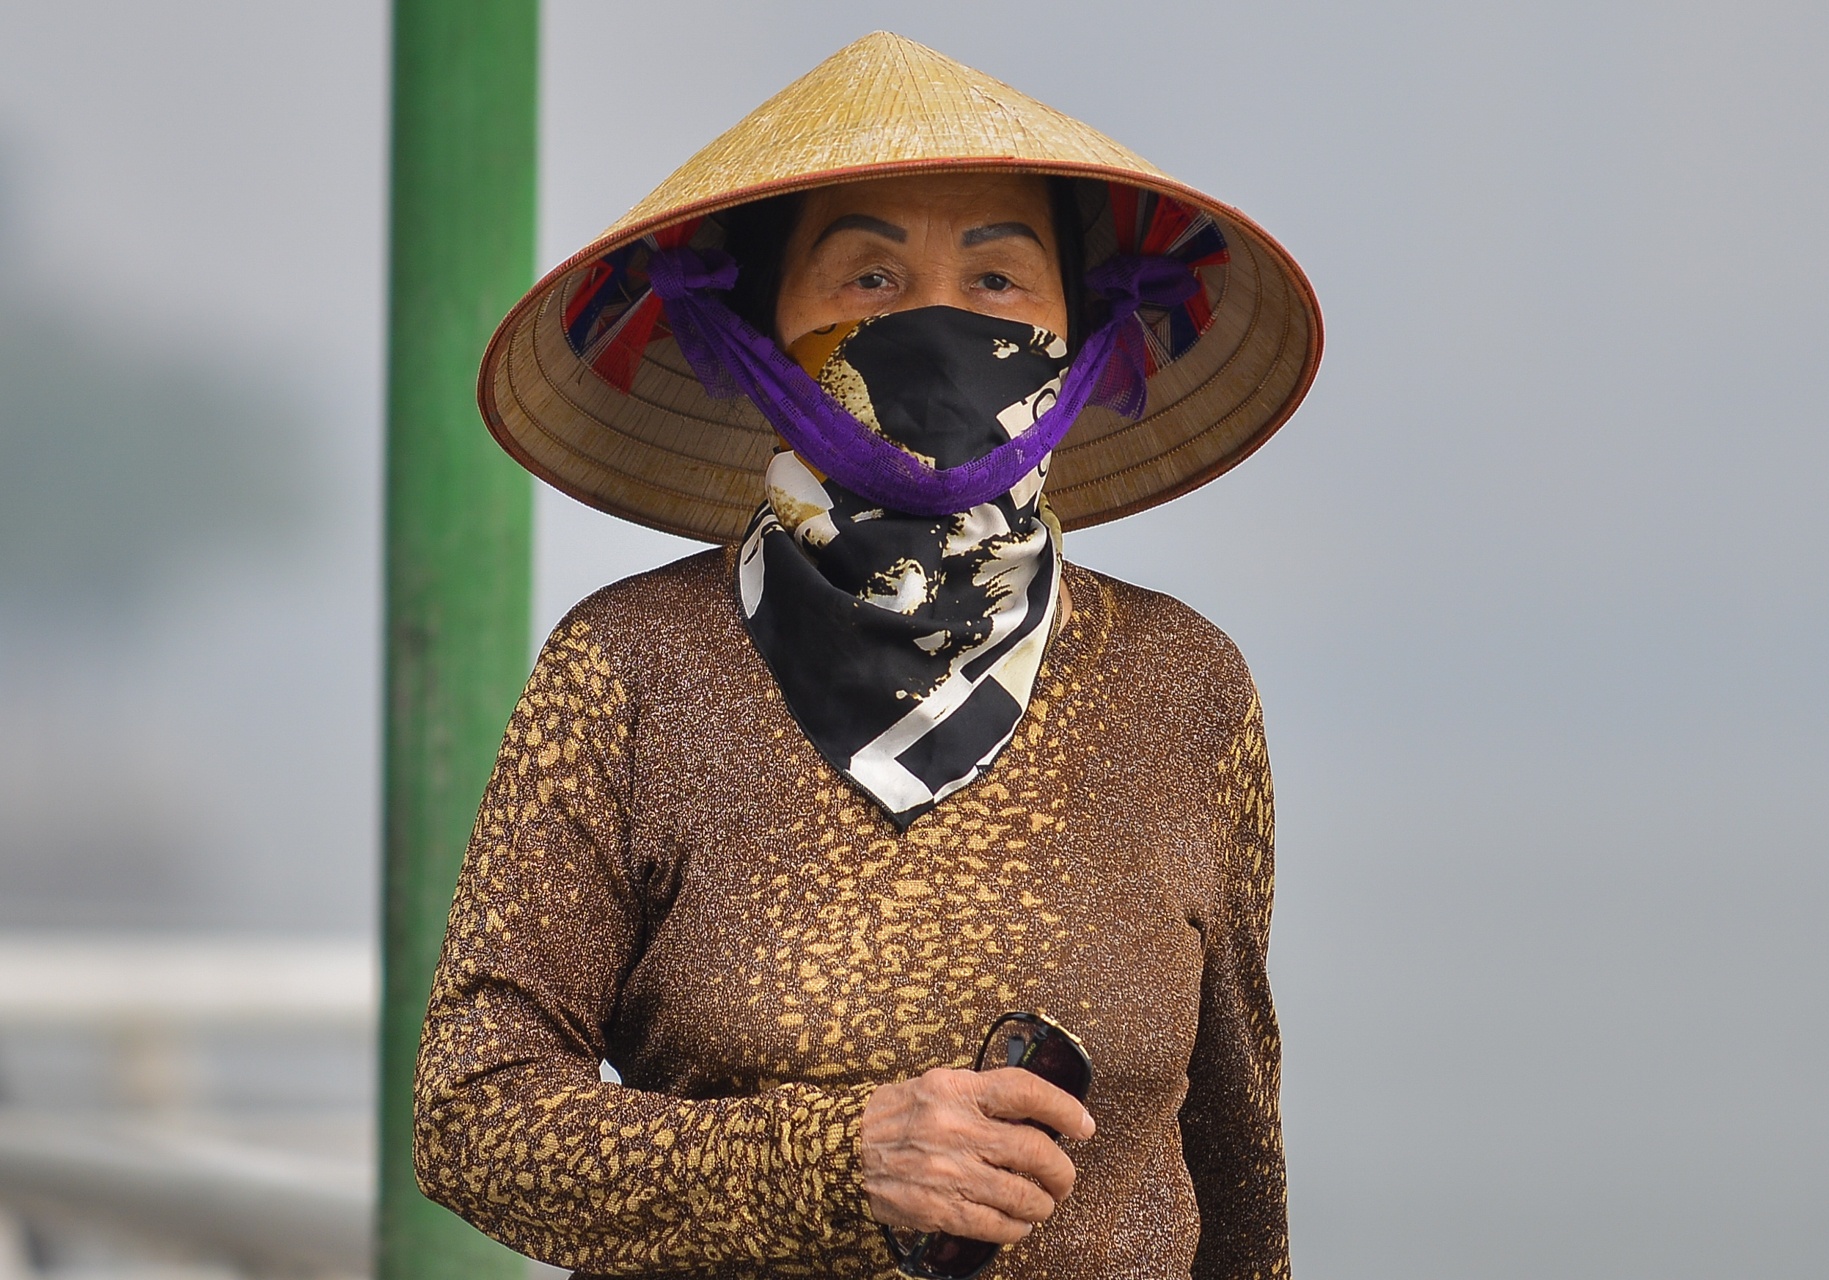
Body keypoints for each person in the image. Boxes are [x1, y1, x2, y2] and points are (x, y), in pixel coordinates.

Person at [414, 32, 1321, 1280]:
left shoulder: (1180, 684)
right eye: (872, 277)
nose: (939, 323)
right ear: (758, 336)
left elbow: (1237, 1170)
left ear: (1082, 333)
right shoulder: (630, 666)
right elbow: (473, 1116)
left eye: (1000, 280)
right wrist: (840, 1160)